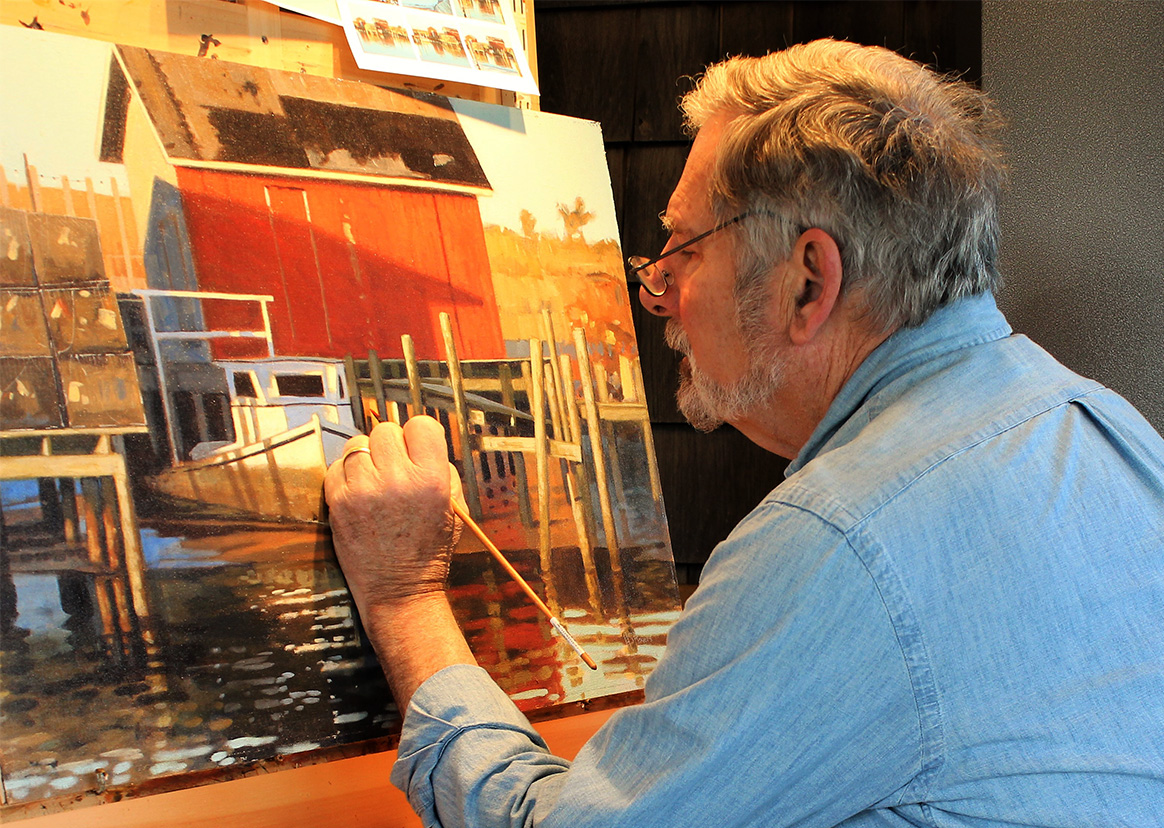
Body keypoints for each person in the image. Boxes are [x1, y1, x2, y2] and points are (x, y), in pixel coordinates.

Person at [324, 39, 1164, 827]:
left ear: (808, 282)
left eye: (682, 249)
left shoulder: (837, 544)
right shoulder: (1108, 431)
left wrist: (406, 600)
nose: (655, 291)